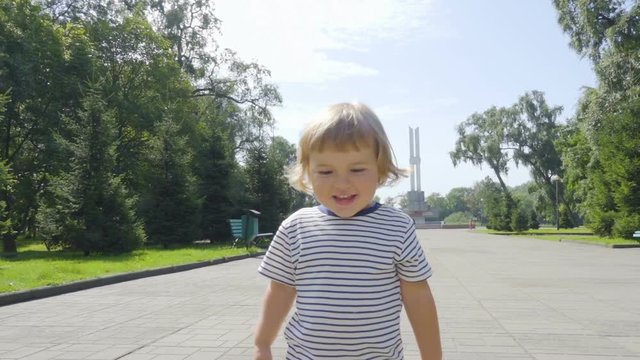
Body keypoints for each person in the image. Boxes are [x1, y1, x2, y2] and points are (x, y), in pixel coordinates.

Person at [253, 102, 442, 360]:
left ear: (380, 168)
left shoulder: (397, 227)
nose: (342, 183)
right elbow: (280, 290)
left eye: (357, 169)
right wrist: (262, 343)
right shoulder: (295, 228)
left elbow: (418, 295)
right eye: (326, 171)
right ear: (308, 172)